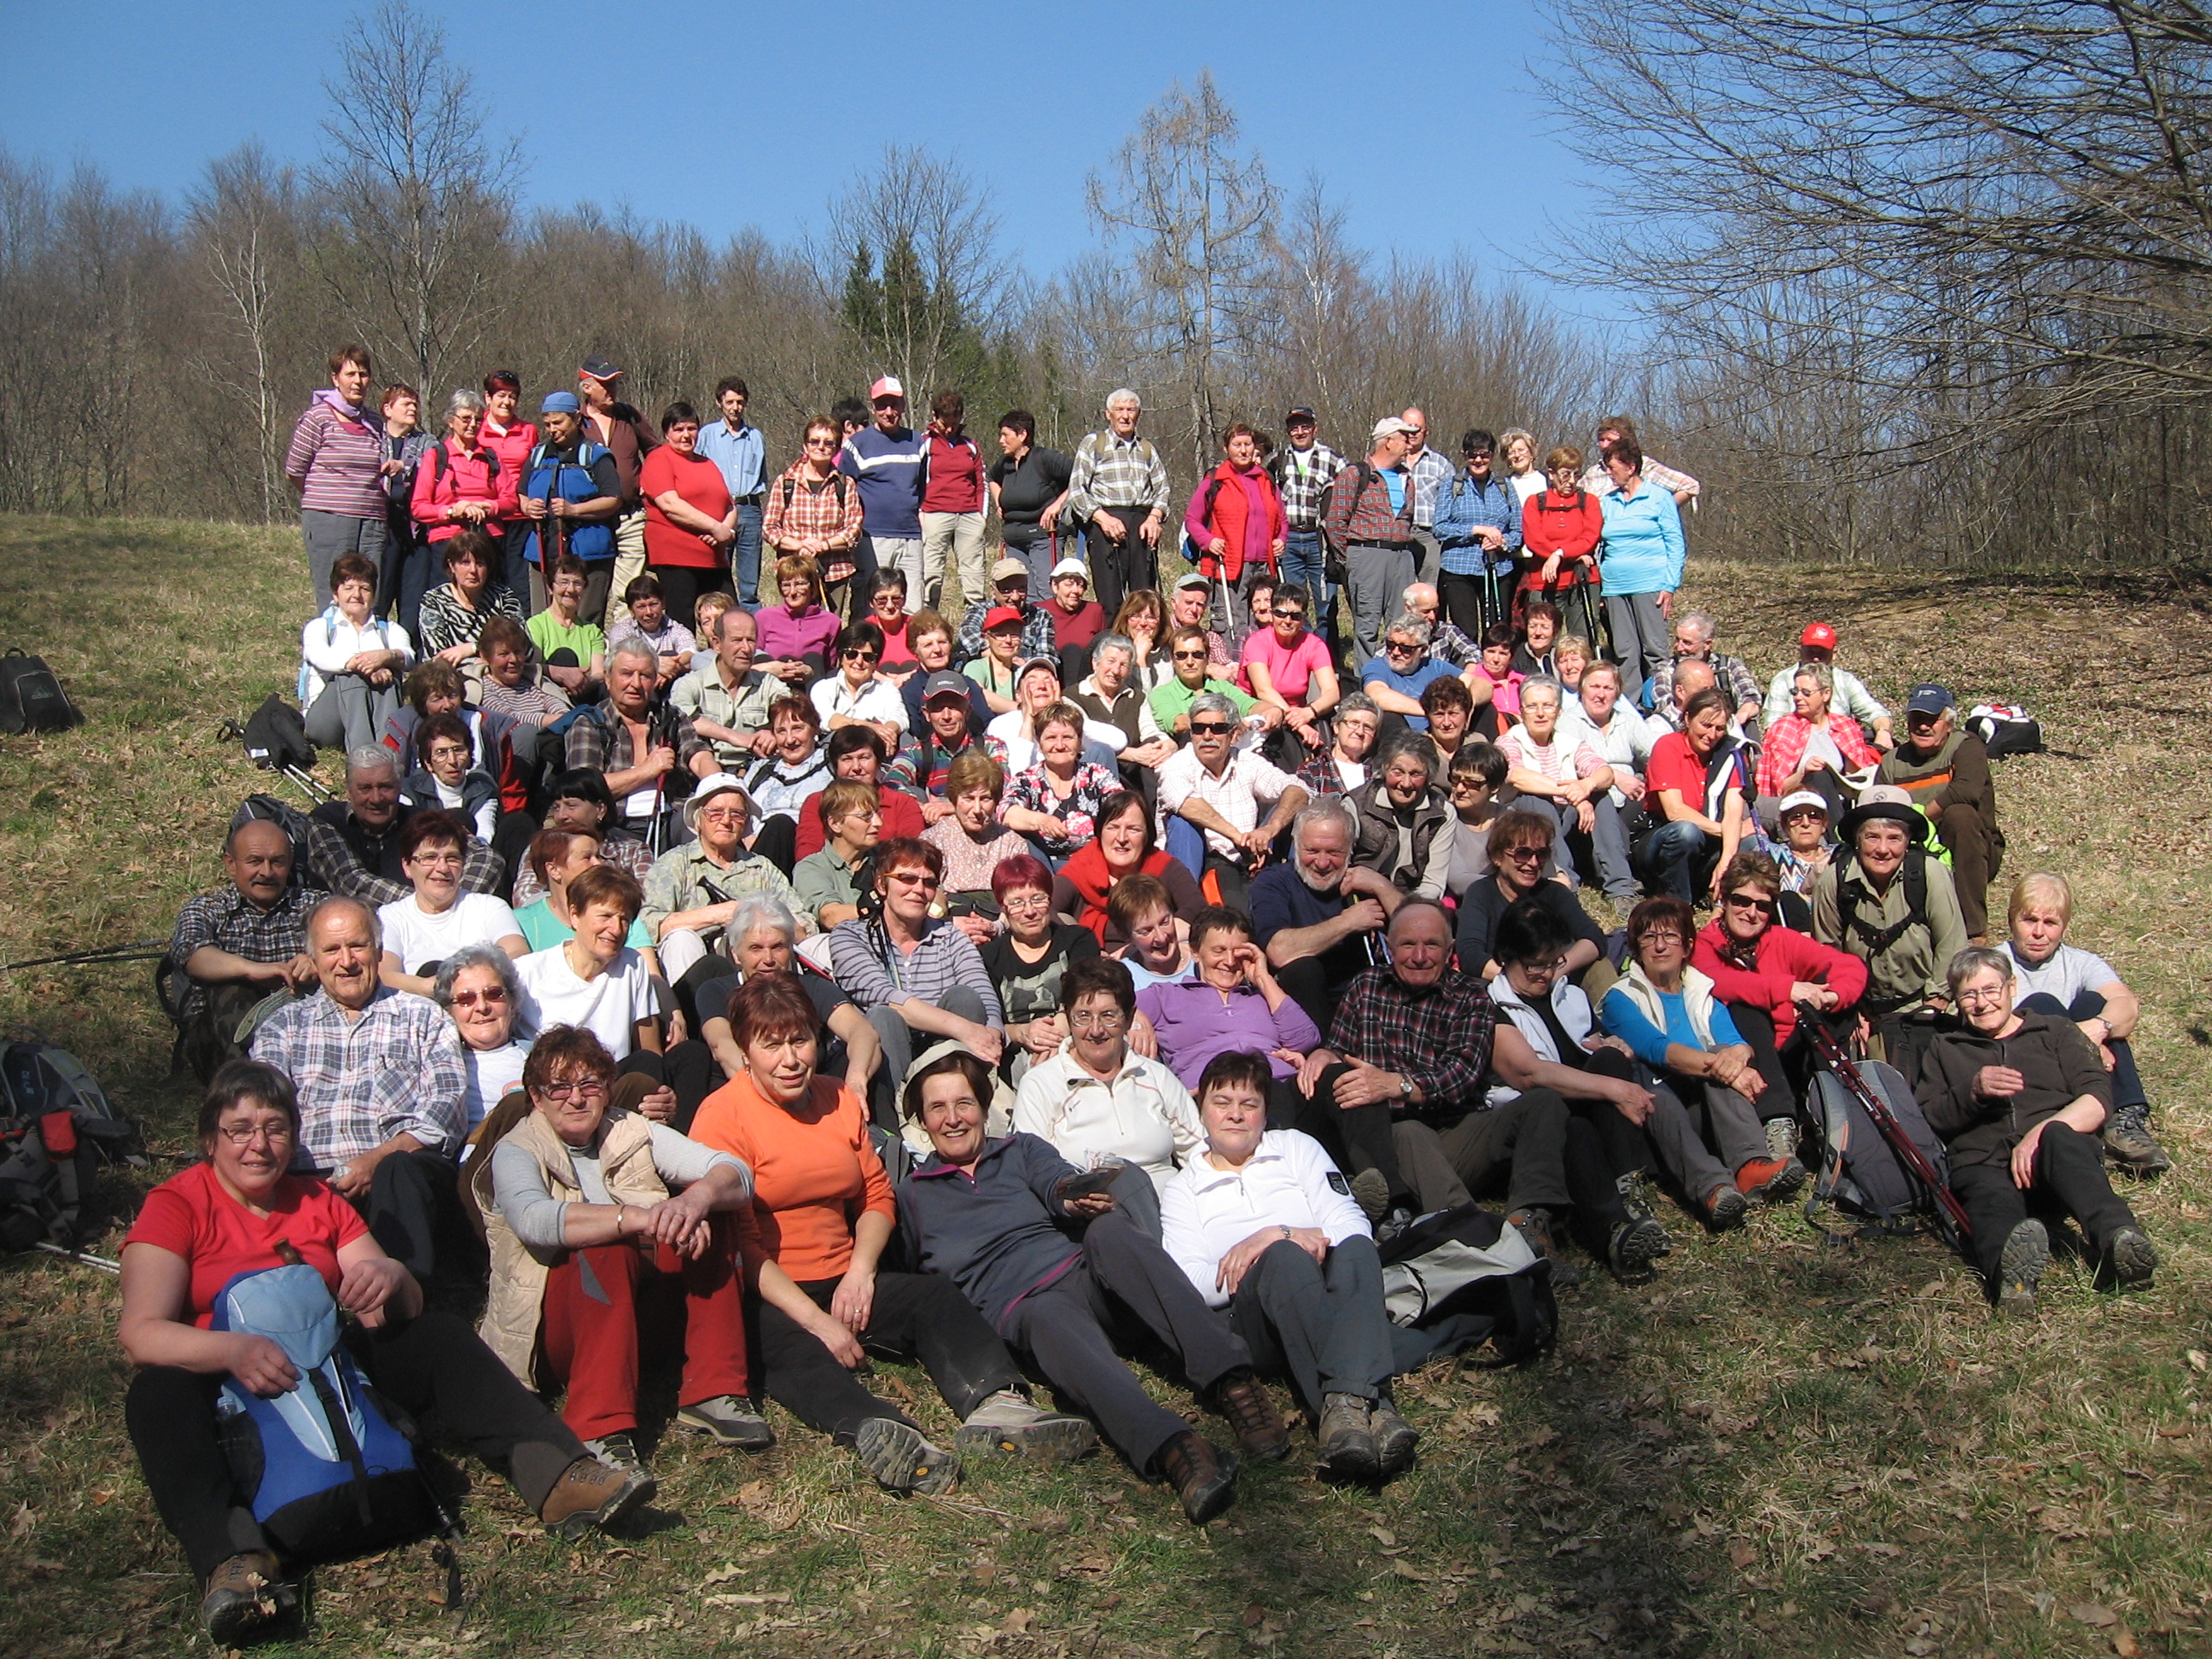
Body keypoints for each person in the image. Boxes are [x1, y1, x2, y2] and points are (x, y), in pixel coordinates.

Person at [119, 1060, 646, 1644]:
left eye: (275, 1128)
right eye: (240, 1130)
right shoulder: (177, 1204)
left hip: (326, 1368)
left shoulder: (315, 1200)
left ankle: (558, 1475)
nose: (259, 1145)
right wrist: (231, 1349)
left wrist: (391, 1278)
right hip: (230, 1383)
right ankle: (233, 1562)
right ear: (209, 1139)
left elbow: (398, 1304)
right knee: (156, 1393)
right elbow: (142, 1333)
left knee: (439, 1336)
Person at [687, 976, 1092, 1490]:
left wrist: (860, 1272)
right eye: (772, 1046)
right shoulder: (722, 1116)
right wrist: (819, 1323)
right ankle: (885, 1435)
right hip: (773, 1290)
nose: (790, 1060)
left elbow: (876, 1195)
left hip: (844, 1276)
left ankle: (998, 1404)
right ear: (746, 1051)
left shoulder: (836, 1098)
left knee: (935, 1298)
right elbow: (742, 1245)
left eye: (800, 1041)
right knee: (796, 1351)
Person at [899, 1047, 1263, 1522]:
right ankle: (1176, 1448)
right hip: (1029, 1312)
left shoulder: (1020, 1150)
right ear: (922, 1120)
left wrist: (1073, 1200)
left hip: (1088, 1283)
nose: (953, 1119)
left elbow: (1057, 1182)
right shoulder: (912, 1196)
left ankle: (1234, 1384)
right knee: (1046, 1313)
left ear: (984, 1108)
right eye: (938, 1108)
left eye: (964, 1103)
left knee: (1110, 1231)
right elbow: (910, 1281)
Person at [475, 1023, 765, 1469]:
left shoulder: (630, 1129)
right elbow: (535, 1219)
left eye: (590, 1084)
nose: (576, 1099)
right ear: (536, 1097)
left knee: (714, 1210)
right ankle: (599, 1426)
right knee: (603, 1242)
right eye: (559, 1088)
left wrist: (694, 1202)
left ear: (607, 1088)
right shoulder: (516, 1149)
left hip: (638, 1314)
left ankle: (715, 1390)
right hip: (556, 1330)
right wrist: (641, 1218)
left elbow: (734, 1171)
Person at [1161, 1051, 1417, 1481]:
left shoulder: (1296, 1147)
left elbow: (1351, 1222)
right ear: (1202, 1110)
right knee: (1284, 1259)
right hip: (1254, 1319)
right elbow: (1191, 1281)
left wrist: (1277, 1233)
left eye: (1249, 1104)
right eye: (1222, 1103)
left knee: (1357, 1248)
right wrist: (1268, 1251)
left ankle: (1345, 1421)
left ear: (1265, 1113)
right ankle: (1376, 1407)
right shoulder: (1182, 1189)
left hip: (1325, 1287)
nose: (1236, 1115)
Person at [1918, 947, 2156, 1314]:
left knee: (2061, 1136)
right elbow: (1929, 1117)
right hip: (1986, 1163)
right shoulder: (1945, 1047)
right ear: (1957, 1002)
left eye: (1991, 990)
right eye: (1969, 995)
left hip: (2058, 1165)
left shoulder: (2054, 1030)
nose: (1982, 1003)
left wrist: (2040, 1133)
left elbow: (2097, 1099)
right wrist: (1972, 1091)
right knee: (1986, 1194)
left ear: (2011, 987)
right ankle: (2010, 1279)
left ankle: (2119, 1240)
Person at [1484, 900, 1710, 1275]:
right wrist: (1612, 1089)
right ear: (1506, 957)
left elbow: (1592, 1042)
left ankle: (1628, 1190)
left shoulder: (1568, 994)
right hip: (1537, 1120)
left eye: (1554, 962)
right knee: (1575, 1126)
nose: (1546, 974)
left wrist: (1612, 1046)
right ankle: (1613, 1231)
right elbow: (1530, 1074)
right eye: (1535, 965)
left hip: (1589, 1111)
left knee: (1609, 1062)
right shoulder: (1491, 1007)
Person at [248, 896, 467, 1280]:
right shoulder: (283, 1026)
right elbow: (261, 1109)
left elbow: (446, 1105)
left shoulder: (423, 1016)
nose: (346, 961)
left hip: (396, 1176)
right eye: (332, 949)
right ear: (313, 960)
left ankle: (400, 1299)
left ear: (379, 951)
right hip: (308, 1179)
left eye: (357, 946)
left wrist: (376, 1161)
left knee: (401, 1171)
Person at [1600, 897, 1808, 1205]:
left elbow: (1736, 1043)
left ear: (1686, 947)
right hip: (1659, 1119)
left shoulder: (1701, 992)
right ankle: (1712, 1189)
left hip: (1706, 1113)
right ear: (1636, 947)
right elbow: (1658, 1049)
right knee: (1660, 1091)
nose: (1660, 946)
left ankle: (1750, 1166)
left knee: (1724, 1051)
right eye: (1649, 937)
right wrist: (1728, 1071)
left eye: (1670, 936)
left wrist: (1737, 1057)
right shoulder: (1620, 998)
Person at [1010, 957, 1205, 1235]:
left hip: (1172, 1215)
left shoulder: (1156, 1077)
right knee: (1123, 1177)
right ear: (1067, 1017)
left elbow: (1199, 1152)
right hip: (1091, 1225)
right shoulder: (1041, 1085)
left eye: (1108, 1015)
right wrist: (1073, 1202)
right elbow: (1031, 1167)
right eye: (1083, 1016)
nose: (1096, 1030)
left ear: (1129, 1018)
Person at [1691, 849, 1869, 1141]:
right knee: (1744, 1007)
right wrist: (1788, 989)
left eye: (1762, 906)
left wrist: (1833, 996)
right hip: (1744, 1057)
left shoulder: (1780, 939)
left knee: (1837, 1004)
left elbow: (1849, 966)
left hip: (1790, 1053)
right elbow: (1720, 983)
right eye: (1741, 901)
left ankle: (1830, 1110)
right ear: (1724, 899)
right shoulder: (1702, 945)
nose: (1751, 913)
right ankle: (1778, 1123)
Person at [2003, 872, 2168, 1173]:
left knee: (2096, 1004)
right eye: (2029, 920)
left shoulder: (2081, 963)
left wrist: (2098, 1029)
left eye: (2050, 923)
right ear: (2011, 919)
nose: (2039, 932)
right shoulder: (1992, 964)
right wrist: (2077, 1041)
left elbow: (2127, 1006)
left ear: (2064, 926)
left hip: (2082, 1071)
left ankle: (2122, 1122)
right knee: (2041, 1005)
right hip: (2029, 1075)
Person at [826, 838, 1004, 1118]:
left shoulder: (951, 937)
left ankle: (963, 1108)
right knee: (883, 1016)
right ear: (881, 884)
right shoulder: (850, 936)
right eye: (907, 879)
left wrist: (992, 1035)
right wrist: (963, 1029)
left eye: (929, 882)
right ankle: (900, 1121)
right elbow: (882, 996)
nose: (919, 890)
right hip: (884, 1060)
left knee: (965, 998)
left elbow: (982, 992)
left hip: (942, 1052)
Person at [1813, 785, 1969, 1082]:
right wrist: (1850, 1008)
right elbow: (1827, 953)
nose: (1883, 849)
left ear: (1907, 841)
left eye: (1894, 838)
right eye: (1872, 837)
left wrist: (1933, 1005)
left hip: (1927, 1003)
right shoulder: (1834, 880)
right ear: (1857, 840)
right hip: (1866, 1012)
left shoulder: (1930, 874)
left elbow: (1952, 945)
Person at [165, 820, 327, 1079]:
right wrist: (252, 971)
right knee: (232, 987)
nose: (267, 872)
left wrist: (318, 962)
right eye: (255, 861)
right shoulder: (208, 910)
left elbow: (356, 947)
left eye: (277, 862)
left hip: (304, 1028)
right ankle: (253, 1089)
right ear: (231, 864)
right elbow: (191, 953)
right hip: (221, 1040)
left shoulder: (318, 906)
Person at [687, 895, 882, 1107]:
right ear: (735, 954)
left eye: (778, 947)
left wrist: (856, 1081)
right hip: (741, 1097)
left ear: (790, 948)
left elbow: (861, 1031)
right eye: (756, 948)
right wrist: (763, 1091)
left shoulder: (813, 987)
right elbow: (721, 1042)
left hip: (809, 1093)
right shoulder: (716, 991)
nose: (768, 959)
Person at [1137, 905, 1321, 1098]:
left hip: (1277, 1084)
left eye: (1239, 953)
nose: (1230, 961)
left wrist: (1263, 978)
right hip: (1214, 1091)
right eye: (1219, 951)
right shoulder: (1166, 995)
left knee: (1334, 1081)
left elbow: (1305, 1040)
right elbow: (1118, 1003)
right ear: (1196, 952)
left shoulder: (1263, 997)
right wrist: (1137, 1018)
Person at [1249, 799, 1400, 1034]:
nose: (1321, 863)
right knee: (1303, 968)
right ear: (1296, 845)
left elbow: (1421, 930)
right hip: (1304, 1008)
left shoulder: (1363, 880)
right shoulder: (1273, 882)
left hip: (1362, 1003)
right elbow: (1279, 951)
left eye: (1334, 852)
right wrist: (1347, 922)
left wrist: (1383, 887)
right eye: (1312, 851)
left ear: (1350, 849)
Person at [641, 772, 809, 981]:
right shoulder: (674, 863)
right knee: (680, 938)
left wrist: (759, 919)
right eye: (715, 813)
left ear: (745, 823)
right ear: (698, 820)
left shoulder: (762, 867)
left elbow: (804, 925)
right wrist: (717, 915)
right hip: (696, 965)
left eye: (737, 814)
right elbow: (647, 924)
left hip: (755, 963)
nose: (727, 821)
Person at [1158, 693, 1311, 909]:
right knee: (1182, 822)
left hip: (1249, 860)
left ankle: (1304, 897)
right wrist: (1240, 838)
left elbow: (1299, 790)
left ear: (1234, 734)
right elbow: (1184, 801)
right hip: (1201, 861)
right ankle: (1185, 909)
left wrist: (1269, 830)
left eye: (1218, 728)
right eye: (1199, 728)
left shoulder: (1247, 761)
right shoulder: (1176, 765)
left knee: (1296, 811)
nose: (1207, 736)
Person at [1879, 682, 2005, 940]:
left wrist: (1919, 819)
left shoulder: (1965, 745)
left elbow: (1966, 790)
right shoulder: (1892, 762)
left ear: (1949, 723)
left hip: (1968, 847)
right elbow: (1878, 807)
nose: (1923, 726)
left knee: (1960, 815)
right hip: (1909, 847)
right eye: (1917, 719)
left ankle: (1973, 930)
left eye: (1931, 719)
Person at [306, 745, 504, 908]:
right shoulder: (326, 820)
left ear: (400, 786)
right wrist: (425, 907)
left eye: (385, 787)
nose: (376, 798)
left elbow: (487, 858)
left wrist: (456, 901)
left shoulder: (420, 820)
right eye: (365, 788)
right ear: (348, 790)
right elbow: (351, 882)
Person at [1499, 678, 1636, 909]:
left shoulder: (1570, 743)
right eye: (1532, 706)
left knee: (1600, 796)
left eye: (1548, 706)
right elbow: (1517, 776)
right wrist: (1573, 794)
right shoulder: (1509, 741)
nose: (1540, 713)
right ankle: (1562, 882)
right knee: (1535, 798)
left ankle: (1620, 888)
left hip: (1568, 825)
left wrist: (1587, 786)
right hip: (1527, 827)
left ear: (1559, 711)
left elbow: (1605, 773)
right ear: (1521, 711)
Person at [564, 637, 713, 837]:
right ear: (608, 678)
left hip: (671, 818)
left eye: (645, 676)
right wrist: (647, 770)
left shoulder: (671, 717)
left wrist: (718, 786)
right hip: (614, 826)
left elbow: (698, 754)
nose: (636, 684)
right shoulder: (589, 723)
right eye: (626, 674)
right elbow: (583, 790)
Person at [374, 810, 527, 998]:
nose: (442, 868)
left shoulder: (490, 907)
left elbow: (519, 956)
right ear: (407, 866)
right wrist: (431, 987)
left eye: (452, 858)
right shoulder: (390, 916)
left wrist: (468, 986)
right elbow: (384, 975)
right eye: (429, 858)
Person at [285, 345, 391, 609]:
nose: (358, 381)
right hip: (329, 519)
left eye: (363, 374)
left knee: (369, 597)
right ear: (335, 378)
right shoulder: (317, 418)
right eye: (350, 374)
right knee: (335, 596)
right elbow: (295, 470)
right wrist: (328, 496)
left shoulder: (375, 422)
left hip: (372, 521)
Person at [980, 853, 1102, 1082]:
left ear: (1050, 899)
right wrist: (1023, 1033)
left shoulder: (1078, 940)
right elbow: (990, 1025)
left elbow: (1086, 991)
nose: (1029, 911)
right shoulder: (989, 956)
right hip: (1020, 1052)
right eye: (1017, 902)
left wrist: (1060, 1028)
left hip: (1077, 1035)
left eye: (1038, 899)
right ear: (1003, 908)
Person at [1455, 809, 1608, 982]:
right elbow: (1470, 955)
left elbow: (1594, 937)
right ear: (1497, 856)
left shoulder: (1555, 893)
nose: (1534, 863)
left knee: (1599, 967)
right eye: (1523, 854)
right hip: (1499, 986)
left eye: (1541, 854)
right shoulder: (1481, 893)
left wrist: (1553, 972)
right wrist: (1518, 981)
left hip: (1554, 982)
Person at [573, 357, 662, 633]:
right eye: (605, 384)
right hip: (591, 521)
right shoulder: (575, 421)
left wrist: (649, 480)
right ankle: (590, 645)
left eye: (614, 383)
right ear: (587, 387)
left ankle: (625, 645)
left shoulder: (628, 416)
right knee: (591, 592)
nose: (612, 389)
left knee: (628, 591)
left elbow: (655, 450)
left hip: (630, 516)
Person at [1639, 687, 1752, 905]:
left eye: (1719, 728)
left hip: (1710, 842)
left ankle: (1723, 898)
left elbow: (1733, 811)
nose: (1712, 735)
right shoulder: (1668, 746)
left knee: (1752, 843)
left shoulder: (1732, 754)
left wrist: (1727, 859)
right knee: (1687, 832)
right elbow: (1675, 811)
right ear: (1688, 719)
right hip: (1664, 835)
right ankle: (1677, 903)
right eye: (1706, 725)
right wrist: (1728, 831)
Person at [1052, 790, 1208, 948]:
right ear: (1100, 832)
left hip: (1154, 956)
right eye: (1113, 827)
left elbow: (1196, 909)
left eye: (1133, 829)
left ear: (1147, 835)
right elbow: (1046, 909)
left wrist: (1139, 948)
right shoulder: (1081, 868)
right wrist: (1081, 947)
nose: (1122, 838)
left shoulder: (1165, 866)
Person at [517, 392, 624, 622]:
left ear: (576, 418)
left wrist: (574, 510)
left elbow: (613, 498)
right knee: (543, 619)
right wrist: (527, 507)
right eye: (547, 424)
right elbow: (522, 491)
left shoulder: (595, 455)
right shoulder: (537, 455)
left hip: (588, 553)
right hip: (543, 551)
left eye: (558, 423)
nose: (552, 429)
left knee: (585, 620)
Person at [1594, 439, 1685, 701]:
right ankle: (1630, 706)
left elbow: (1675, 543)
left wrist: (1670, 585)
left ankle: (1660, 701)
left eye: (1613, 467)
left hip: (1650, 584)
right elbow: (1599, 544)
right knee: (1624, 651)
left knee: (1654, 649)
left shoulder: (1659, 498)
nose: (1609, 473)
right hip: (1614, 588)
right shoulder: (1608, 502)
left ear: (1631, 467)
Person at [1324, 417, 1419, 667]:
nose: (1409, 444)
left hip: (1402, 556)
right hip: (1367, 555)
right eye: (1404, 438)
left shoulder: (1407, 478)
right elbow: (1335, 522)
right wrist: (1351, 559)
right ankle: (1366, 680)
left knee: (1401, 625)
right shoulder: (1355, 474)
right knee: (1367, 625)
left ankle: (1397, 677)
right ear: (1388, 441)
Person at [1066, 389, 1171, 615]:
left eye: (1131, 410)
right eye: (1119, 410)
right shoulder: (1094, 443)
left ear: (1138, 414)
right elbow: (1077, 490)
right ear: (1108, 414)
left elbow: (1163, 488)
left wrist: (1154, 517)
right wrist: (1102, 519)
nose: (1125, 416)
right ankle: (1111, 638)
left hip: (1142, 529)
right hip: (1104, 528)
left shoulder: (1147, 448)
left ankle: (1144, 638)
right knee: (1110, 602)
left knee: (1144, 600)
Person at [634, 400, 736, 625]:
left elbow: (730, 505)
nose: (686, 435)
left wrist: (725, 530)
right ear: (667, 433)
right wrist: (714, 527)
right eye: (679, 429)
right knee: (683, 623)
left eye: (692, 428)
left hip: (714, 557)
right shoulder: (659, 459)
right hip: (677, 556)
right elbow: (670, 504)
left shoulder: (708, 464)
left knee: (729, 620)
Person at [300, 553, 412, 754]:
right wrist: (363, 665)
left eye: (365, 588)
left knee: (391, 674)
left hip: (374, 715)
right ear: (336, 594)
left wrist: (387, 656)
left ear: (373, 595)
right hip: (327, 723)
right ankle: (364, 756)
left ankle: (389, 751)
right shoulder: (320, 627)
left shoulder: (390, 630)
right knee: (351, 676)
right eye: (348, 588)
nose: (356, 595)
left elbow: (409, 657)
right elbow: (319, 657)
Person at [410, 390, 518, 601]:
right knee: (447, 602)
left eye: (478, 419)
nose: (472, 424)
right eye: (466, 418)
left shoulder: (491, 457)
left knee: (491, 602)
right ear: (451, 421)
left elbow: (511, 501)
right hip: (448, 542)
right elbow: (419, 507)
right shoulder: (436, 457)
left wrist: (487, 507)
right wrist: (452, 511)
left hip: (488, 541)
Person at [1185, 422, 1287, 637]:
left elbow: (1282, 519)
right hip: (1230, 565)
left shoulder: (1266, 479)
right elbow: (1192, 519)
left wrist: (1281, 538)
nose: (1243, 450)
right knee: (1233, 621)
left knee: (1265, 619)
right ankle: (1232, 657)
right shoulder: (1216, 480)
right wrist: (1208, 541)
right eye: (1237, 445)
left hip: (1264, 567)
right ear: (1226, 449)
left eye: (1247, 444)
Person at [839, 376, 927, 609]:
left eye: (894, 405)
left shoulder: (917, 442)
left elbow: (921, 488)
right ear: (872, 408)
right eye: (882, 406)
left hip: (910, 536)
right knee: (870, 604)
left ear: (903, 406)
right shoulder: (858, 444)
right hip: (871, 537)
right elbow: (843, 490)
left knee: (912, 604)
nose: (889, 412)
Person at [762, 420, 864, 619]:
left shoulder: (845, 484)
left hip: (835, 571)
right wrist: (800, 545)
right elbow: (770, 527)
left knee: (829, 625)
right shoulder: (786, 482)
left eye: (828, 443)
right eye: (815, 441)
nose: (821, 447)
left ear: (837, 448)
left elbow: (854, 528)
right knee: (795, 625)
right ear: (805, 446)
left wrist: (823, 546)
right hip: (794, 572)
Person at [1755, 661, 1881, 820]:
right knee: (1819, 776)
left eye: (1806, 692)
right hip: (1798, 804)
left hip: (1840, 802)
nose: (1798, 698)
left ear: (1826, 694)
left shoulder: (1845, 727)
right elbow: (1780, 787)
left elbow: (1855, 780)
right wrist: (1804, 772)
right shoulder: (1785, 729)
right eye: (1795, 691)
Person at [511, 769, 654, 906]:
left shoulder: (633, 851)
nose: (561, 815)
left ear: (600, 809)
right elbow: (525, 897)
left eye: (571, 806)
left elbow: (646, 899)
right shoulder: (542, 848)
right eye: (556, 807)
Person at [1430, 428, 1523, 637]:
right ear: (1465, 455)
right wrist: (1475, 530)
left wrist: (1502, 542)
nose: (1479, 460)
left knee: (1496, 633)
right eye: (1473, 455)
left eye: (1484, 455)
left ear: (1492, 455)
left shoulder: (1504, 486)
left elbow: (1517, 531)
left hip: (1498, 568)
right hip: (1458, 569)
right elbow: (1440, 528)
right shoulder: (1451, 485)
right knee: (1466, 633)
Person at [1003, 701, 1121, 865]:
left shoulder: (1097, 775)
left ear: (1079, 741)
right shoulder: (1027, 780)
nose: (1059, 746)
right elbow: (1005, 812)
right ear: (1039, 742)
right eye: (1051, 738)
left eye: (1067, 737)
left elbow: (1122, 808)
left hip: (1092, 862)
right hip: (1044, 863)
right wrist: (1042, 821)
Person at [1267, 407, 1347, 647]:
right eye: (1294, 428)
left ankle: (1326, 655)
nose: (1300, 432)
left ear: (1315, 429)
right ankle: (1302, 652)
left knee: (1326, 603)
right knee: (1294, 604)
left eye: (1305, 427)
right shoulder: (1277, 461)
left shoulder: (1333, 460)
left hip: (1320, 540)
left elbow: (1348, 495)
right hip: (1289, 540)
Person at [433, 945, 530, 1135]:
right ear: (449, 1011)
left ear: (511, 1003)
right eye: (466, 999)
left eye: (493, 994)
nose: (482, 1007)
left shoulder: (540, 1059)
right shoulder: (439, 1067)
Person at [789, 726, 928, 862]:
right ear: (835, 765)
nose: (856, 767)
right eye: (847, 759)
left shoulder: (901, 803)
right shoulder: (818, 802)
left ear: (878, 762)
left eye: (864, 758)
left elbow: (912, 855)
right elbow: (808, 855)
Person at [1344, 734, 1456, 900]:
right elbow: (1342, 869)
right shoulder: (1355, 805)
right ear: (1384, 770)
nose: (1406, 783)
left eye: (1416, 774)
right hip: (1359, 901)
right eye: (1397, 772)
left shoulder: (1443, 813)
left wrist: (1403, 907)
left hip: (1413, 903)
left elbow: (1433, 884)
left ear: (1428, 776)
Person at [672, 606, 782, 772]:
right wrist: (735, 737)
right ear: (717, 644)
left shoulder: (767, 684)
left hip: (756, 770)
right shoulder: (690, 684)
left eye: (751, 640)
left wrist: (773, 732)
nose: (746, 649)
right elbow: (681, 717)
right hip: (704, 773)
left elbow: (794, 711)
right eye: (737, 640)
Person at [511, 828, 653, 956]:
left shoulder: (620, 916)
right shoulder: (520, 922)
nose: (599, 864)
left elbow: (649, 970)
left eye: (598, 856)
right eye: (587, 858)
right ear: (554, 870)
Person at [695, 375, 771, 605]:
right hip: (718, 509)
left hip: (750, 508)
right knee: (717, 575)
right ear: (719, 403)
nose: (735, 408)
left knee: (750, 583)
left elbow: (761, 476)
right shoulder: (707, 435)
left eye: (740, 402)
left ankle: (749, 622)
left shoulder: (756, 438)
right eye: (729, 402)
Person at [1241, 582, 1338, 755]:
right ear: (1272, 613)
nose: (1287, 621)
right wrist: (1299, 724)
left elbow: (1332, 692)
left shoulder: (1314, 645)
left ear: (1304, 619)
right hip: (1260, 712)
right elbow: (1264, 691)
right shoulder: (1257, 642)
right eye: (1281, 613)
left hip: (1299, 714)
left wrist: (1310, 711)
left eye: (1295, 616)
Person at [1761, 621, 1894, 747]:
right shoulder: (1783, 681)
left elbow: (1876, 712)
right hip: (1796, 747)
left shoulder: (1845, 680)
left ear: (1834, 654)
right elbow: (1774, 728)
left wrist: (1883, 732)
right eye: (1810, 652)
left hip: (1842, 746)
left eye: (1822, 653)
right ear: (1800, 650)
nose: (1815, 659)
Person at [1071, 632, 1179, 784]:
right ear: (1095, 663)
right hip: (1095, 773)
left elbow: (1150, 729)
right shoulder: (1073, 697)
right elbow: (1082, 743)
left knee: (1155, 745)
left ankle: (1155, 800)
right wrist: (1133, 755)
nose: (1116, 670)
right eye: (1110, 661)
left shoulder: (1137, 698)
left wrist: (1170, 745)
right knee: (1099, 750)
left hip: (1134, 776)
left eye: (1124, 665)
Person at [911, 389, 983, 613]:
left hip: (969, 514)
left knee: (973, 574)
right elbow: (914, 479)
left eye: (955, 421)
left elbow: (981, 481)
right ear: (935, 417)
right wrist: (920, 511)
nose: (950, 428)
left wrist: (981, 516)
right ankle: (928, 621)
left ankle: (975, 621)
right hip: (934, 513)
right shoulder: (925, 443)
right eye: (945, 422)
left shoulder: (970, 446)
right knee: (931, 573)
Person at [416, 527, 524, 672]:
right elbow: (438, 656)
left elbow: (522, 645)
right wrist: (484, 660)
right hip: (451, 677)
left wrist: (472, 648)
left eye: (480, 563)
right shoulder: (434, 601)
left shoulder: (504, 597)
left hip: (500, 675)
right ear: (452, 566)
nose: (473, 570)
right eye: (465, 563)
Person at [988, 408, 1074, 590]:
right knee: (1021, 593)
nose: (1000, 441)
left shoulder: (1044, 458)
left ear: (1022, 435)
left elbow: (1080, 476)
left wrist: (1057, 506)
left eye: (1005, 435)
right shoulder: (1004, 463)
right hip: (1014, 540)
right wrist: (999, 502)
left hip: (1044, 537)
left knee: (1046, 590)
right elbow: (992, 479)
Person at [375, 381, 437, 635]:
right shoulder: (374, 439)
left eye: (415, 404)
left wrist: (406, 466)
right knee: (379, 596)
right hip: (383, 527)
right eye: (406, 403)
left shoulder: (426, 441)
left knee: (413, 602)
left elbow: (437, 462)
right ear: (388, 409)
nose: (413, 408)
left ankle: (408, 650)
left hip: (417, 530)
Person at [1150, 626, 1272, 743]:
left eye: (1197, 655)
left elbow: (1251, 706)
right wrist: (1228, 721)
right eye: (1181, 656)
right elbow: (1179, 723)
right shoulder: (1162, 694)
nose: (1190, 662)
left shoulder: (1222, 687)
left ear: (1207, 658)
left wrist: (1272, 710)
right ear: (1172, 660)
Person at [476, 371, 538, 600]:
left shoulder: (528, 431)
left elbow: (534, 471)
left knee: (519, 582)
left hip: (520, 516)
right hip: (488, 515)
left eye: (512, 396)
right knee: (489, 579)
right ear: (488, 397)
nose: (507, 402)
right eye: (501, 395)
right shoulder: (477, 429)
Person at [791, 781, 882, 932]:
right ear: (835, 824)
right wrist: (883, 911)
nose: (878, 822)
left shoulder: (889, 858)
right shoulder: (812, 867)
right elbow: (831, 916)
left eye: (878, 814)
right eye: (866, 816)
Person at [1650, 612, 1764, 733]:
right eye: (1677, 640)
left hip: (1725, 728)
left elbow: (1751, 699)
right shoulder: (1666, 668)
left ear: (1707, 644)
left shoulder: (1729, 665)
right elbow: (1664, 703)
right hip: (1682, 729)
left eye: (1687, 643)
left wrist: (1732, 724)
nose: (1679, 647)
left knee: (1750, 722)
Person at [400, 709, 502, 844]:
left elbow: (484, 835)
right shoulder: (409, 791)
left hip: (473, 853)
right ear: (428, 762)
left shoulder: (483, 790)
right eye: (441, 753)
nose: (453, 761)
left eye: (459, 750)